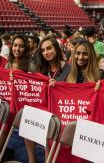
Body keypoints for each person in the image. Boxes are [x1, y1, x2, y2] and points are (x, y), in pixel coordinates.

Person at [25, 35, 71, 163]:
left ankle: (48, 159)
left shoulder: (69, 68)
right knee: (28, 120)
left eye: (49, 48)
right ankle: (31, 159)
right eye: (43, 50)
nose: (46, 53)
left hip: (60, 112)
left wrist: (58, 86)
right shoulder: (41, 69)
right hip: (44, 108)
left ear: (56, 48)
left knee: (47, 126)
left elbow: (71, 91)